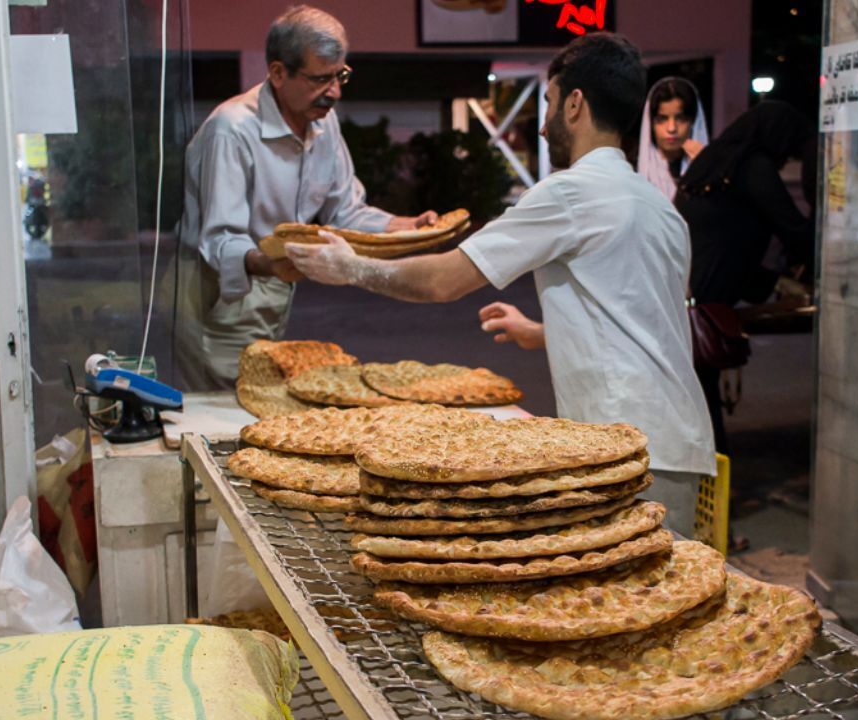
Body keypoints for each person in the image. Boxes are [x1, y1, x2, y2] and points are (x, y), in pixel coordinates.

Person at [285, 32, 716, 537]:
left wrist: (351, 266)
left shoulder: (572, 192)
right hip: (678, 443)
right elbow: (642, 314)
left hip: (623, 445)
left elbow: (444, 280)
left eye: (550, 104)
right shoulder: (657, 206)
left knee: (620, 603)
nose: (541, 124)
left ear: (575, 104)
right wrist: (542, 330)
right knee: (662, 601)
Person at [176, 5, 437, 389]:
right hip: (221, 292)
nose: (333, 92)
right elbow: (219, 239)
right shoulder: (231, 130)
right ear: (278, 73)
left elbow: (344, 210)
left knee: (263, 400)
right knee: (228, 409)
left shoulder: (322, 121)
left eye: (340, 76)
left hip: (275, 280)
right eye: (320, 79)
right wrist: (272, 263)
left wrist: (406, 227)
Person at [672, 100, 815, 455]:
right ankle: (709, 485)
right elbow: (793, 228)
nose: (786, 159)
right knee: (703, 402)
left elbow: (723, 238)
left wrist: (772, 281)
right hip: (703, 300)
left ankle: (702, 481)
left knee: (694, 399)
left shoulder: (709, 163)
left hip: (681, 290)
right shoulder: (753, 168)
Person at [636, 76, 708, 201]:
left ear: (693, 122)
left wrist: (703, 169)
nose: (671, 128)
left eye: (680, 119)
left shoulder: (712, 170)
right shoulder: (632, 170)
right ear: (650, 124)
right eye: (662, 119)